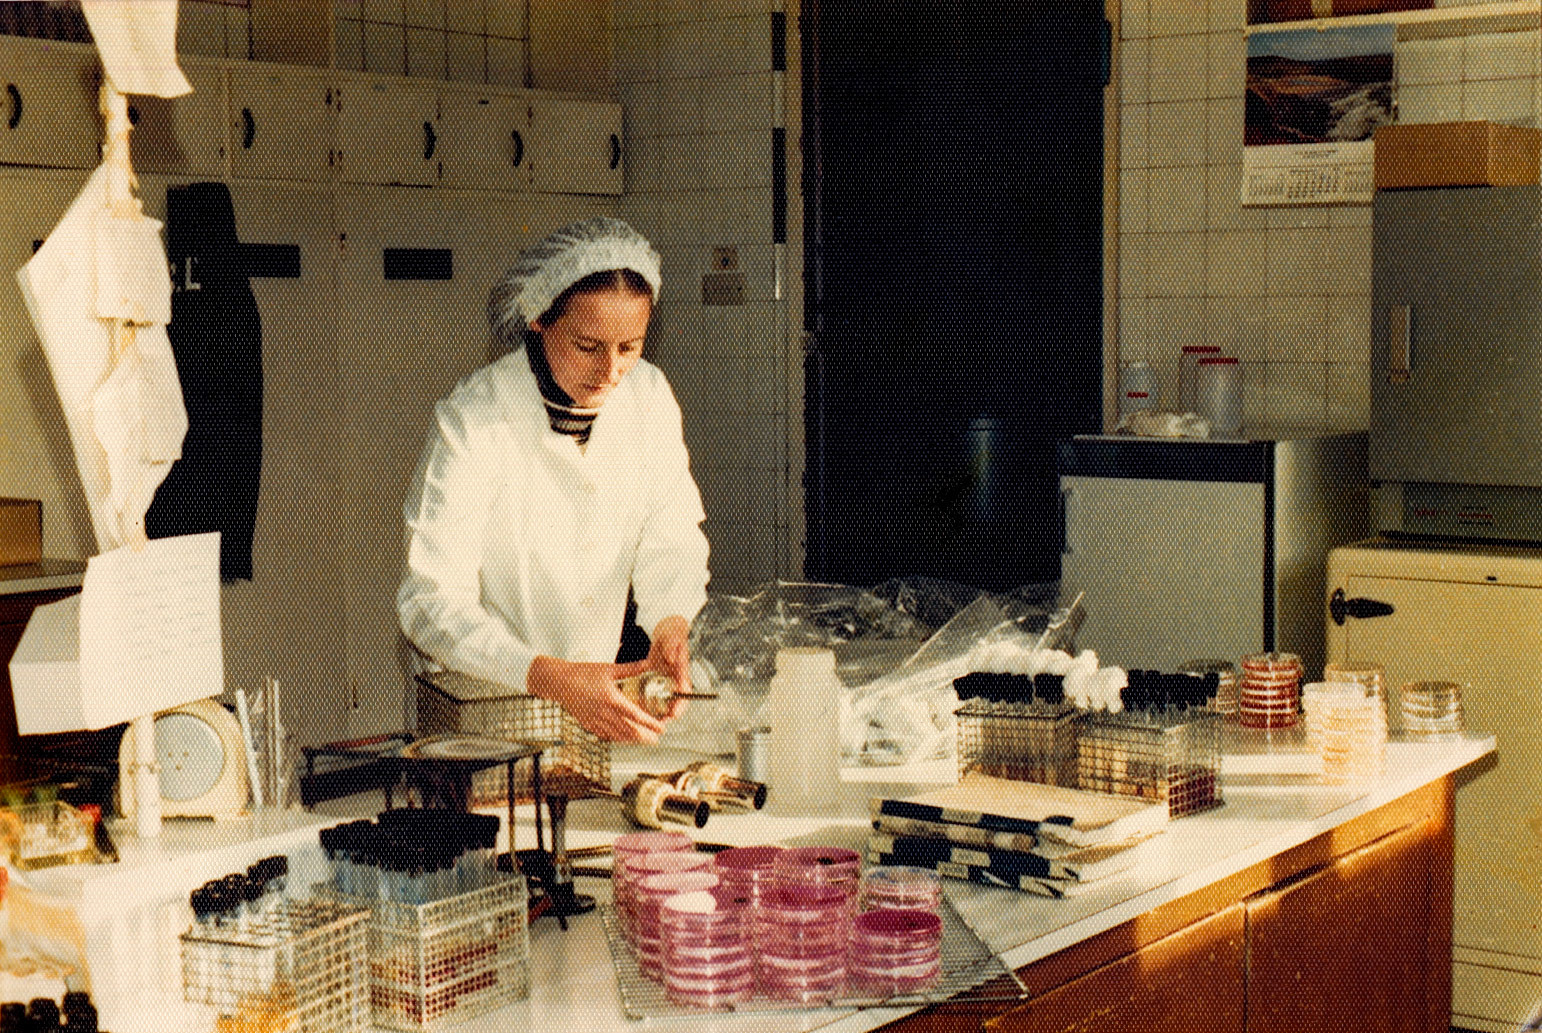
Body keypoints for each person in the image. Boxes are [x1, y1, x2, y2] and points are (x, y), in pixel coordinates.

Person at [398, 218, 710, 743]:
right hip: (484, 708)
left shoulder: (649, 398)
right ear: (540, 320)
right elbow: (430, 602)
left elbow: (672, 534)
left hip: (593, 702)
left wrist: (670, 625)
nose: (611, 370)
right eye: (588, 346)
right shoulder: (475, 419)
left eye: (630, 346)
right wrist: (550, 676)